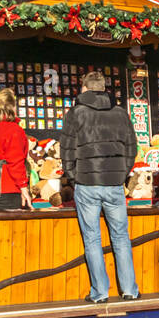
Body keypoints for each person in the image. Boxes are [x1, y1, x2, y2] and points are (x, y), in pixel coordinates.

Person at [60, 71, 140, 304]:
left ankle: (100, 292)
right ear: (104, 88)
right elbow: (131, 148)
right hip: (114, 184)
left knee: (92, 239)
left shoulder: (75, 113)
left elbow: (67, 150)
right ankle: (129, 290)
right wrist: (121, 174)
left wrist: (74, 177)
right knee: (121, 237)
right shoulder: (120, 113)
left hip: (86, 184)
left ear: (84, 88)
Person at [0, 89, 31, 211]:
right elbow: (16, 161)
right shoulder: (14, 130)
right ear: (12, 106)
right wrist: (24, 187)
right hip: (7, 189)